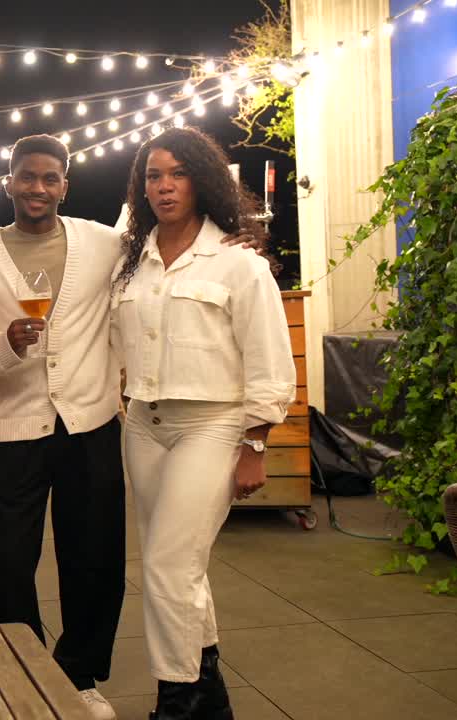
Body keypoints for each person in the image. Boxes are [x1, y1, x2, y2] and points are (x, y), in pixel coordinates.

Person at [110, 127, 294, 720]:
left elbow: (269, 360)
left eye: (177, 174)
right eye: (153, 176)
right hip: (143, 424)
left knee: (166, 564)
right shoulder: (129, 263)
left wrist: (255, 445)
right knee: (180, 566)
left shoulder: (239, 264)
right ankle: (208, 695)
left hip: (212, 426)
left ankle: (179, 702)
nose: (164, 187)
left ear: (202, 180)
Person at [0, 134, 127, 719]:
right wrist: (4, 347)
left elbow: (166, 248)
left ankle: (80, 674)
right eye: (27, 177)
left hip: (90, 423)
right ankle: (16, 668)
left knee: (94, 556)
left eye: (50, 178)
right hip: (17, 428)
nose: (38, 188)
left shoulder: (105, 244)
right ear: (7, 181)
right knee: (12, 559)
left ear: (65, 184)